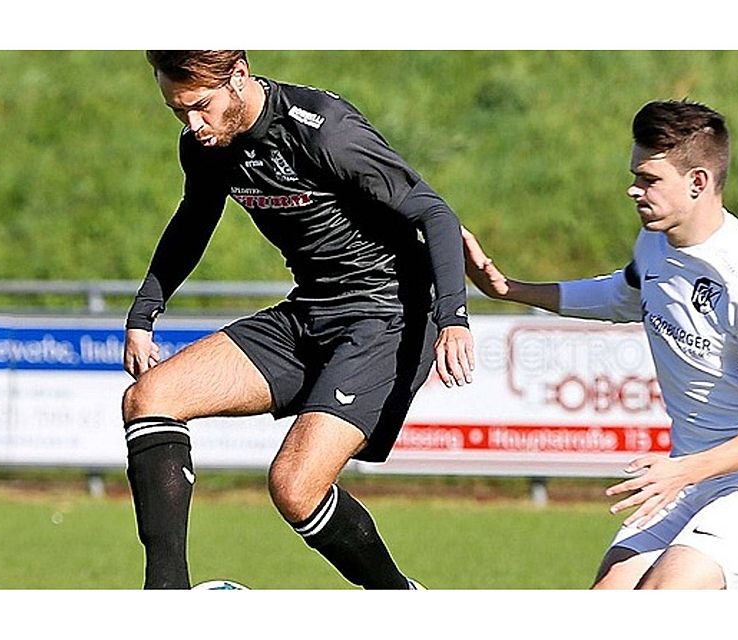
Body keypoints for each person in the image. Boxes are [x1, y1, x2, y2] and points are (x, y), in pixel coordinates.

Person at [122, 50, 475, 589]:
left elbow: (434, 211)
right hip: (311, 308)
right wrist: (144, 311)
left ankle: (399, 599)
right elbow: (195, 219)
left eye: (200, 106)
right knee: (150, 398)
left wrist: (452, 316)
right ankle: (165, 598)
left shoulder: (322, 129)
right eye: (178, 112)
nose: (193, 125)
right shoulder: (205, 146)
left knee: (294, 486)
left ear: (238, 76)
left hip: (386, 315)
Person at [462, 100, 738, 589]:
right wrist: (511, 290)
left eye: (649, 179)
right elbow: (619, 296)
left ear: (697, 183)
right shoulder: (654, 243)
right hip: (686, 474)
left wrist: (683, 472)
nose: (633, 189)